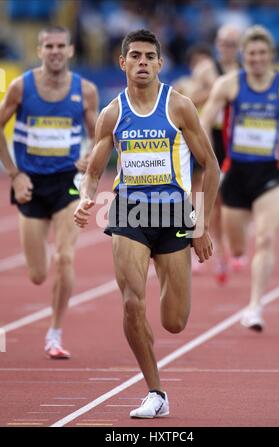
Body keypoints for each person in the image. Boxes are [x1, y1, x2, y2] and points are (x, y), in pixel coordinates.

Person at [74, 29, 219, 418]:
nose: (141, 62)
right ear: (122, 63)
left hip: (173, 214)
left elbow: (211, 166)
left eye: (148, 56)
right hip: (129, 212)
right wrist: (87, 195)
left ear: (159, 63)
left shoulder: (179, 107)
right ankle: (155, 392)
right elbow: (93, 168)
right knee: (131, 303)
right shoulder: (112, 113)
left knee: (174, 322)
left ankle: (164, 280)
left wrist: (200, 225)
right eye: (134, 56)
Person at [0, 26, 99, 358]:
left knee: (66, 256)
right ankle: (40, 248)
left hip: (67, 182)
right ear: (40, 50)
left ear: (71, 51)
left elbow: (101, 138)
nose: (55, 51)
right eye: (49, 46)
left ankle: (54, 334)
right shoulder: (20, 87)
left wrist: (90, 157)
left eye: (61, 46)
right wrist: (14, 175)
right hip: (31, 183)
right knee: (38, 274)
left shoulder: (85, 91)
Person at [201, 25, 279, 330]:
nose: (256, 59)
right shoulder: (228, 85)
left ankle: (255, 307)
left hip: (271, 173)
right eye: (251, 54)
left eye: (262, 53)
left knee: (266, 238)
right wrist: (208, 160)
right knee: (239, 248)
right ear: (244, 56)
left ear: (271, 55)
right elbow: (203, 122)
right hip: (236, 174)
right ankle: (235, 254)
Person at [192, 24, 242, 283]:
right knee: (202, 193)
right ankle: (202, 245)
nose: (227, 48)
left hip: (233, 140)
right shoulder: (206, 70)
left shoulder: (244, 73)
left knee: (227, 201)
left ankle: (226, 249)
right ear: (217, 44)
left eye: (232, 44)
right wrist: (214, 92)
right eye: (223, 43)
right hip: (208, 137)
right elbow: (188, 97)